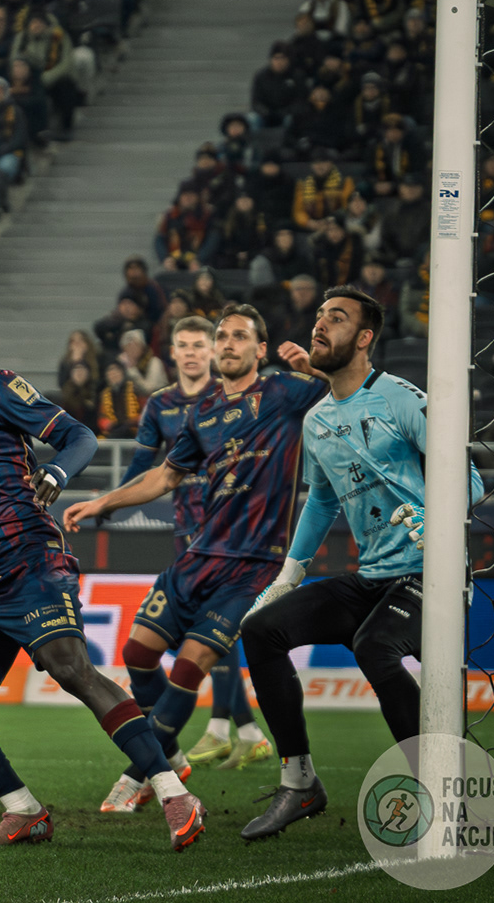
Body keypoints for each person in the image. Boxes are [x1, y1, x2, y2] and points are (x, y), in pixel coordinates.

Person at [0, 280, 205, 850]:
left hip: (29, 558)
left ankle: (174, 792)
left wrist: (55, 472)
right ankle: (23, 809)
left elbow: (79, 436)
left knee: (69, 667)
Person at [236, 287, 483, 841]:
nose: (320, 325)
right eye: (320, 316)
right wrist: (290, 574)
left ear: (365, 338)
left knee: (374, 647)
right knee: (261, 630)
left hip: (432, 575)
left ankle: (442, 789)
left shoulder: (402, 399)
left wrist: (436, 517)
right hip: (373, 578)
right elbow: (321, 502)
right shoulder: (317, 420)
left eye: (337, 318)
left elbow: (470, 478)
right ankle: (300, 783)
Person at [64, 305, 326, 816]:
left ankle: (140, 774)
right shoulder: (202, 413)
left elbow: (347, 383)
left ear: (260, 349)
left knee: (190, 664)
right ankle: (170, 756)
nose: (228, 343)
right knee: (137, 654)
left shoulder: (285, 391)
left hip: (253, 564)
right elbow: (164, 476)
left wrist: (311, 367)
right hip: (198, 554)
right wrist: (102, 502)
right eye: (222, 335)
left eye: (240, 336)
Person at [123, 317, 268, 770]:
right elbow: (144, 465)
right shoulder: (160, 404)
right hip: (185, 534)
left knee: (210, 633)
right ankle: (241, 730)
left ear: (211, 352)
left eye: (199, 345)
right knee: (207, 635)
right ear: (172, 353)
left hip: (228, 535)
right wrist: (111, 499)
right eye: (183, 345)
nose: (190, 353)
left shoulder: (233, 398)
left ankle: (225, 729)